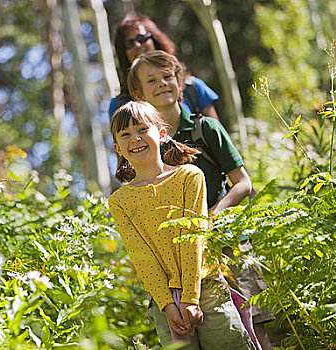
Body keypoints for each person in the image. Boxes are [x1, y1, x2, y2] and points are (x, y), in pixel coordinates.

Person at [126, 50, 274, 349]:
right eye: (151, 80)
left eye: (168, 76)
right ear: (138, 94)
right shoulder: (142, 146)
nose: (162, 84)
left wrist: (211, 217)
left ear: (180, 82)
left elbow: (243, 183)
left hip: (227, 242)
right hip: (182, 258)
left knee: (255, 324)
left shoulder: (206, 128)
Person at [108, 100, 256, 349]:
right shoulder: (119, 201)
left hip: (206, 289)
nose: (135, 138)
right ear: (117, 148)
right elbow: (142, 257)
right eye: (126, 134)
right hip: (163, 302)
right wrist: (167, 304)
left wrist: (190, 297)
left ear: (162, 133)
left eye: (142, 129)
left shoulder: (189, 176)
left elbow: (194, 237)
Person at [108, 15, 220, 122]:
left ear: (155, 40)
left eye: (142, 38)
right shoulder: (119, 105)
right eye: (129, 43)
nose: (137, 45)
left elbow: (216, 135)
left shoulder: (192, 88)